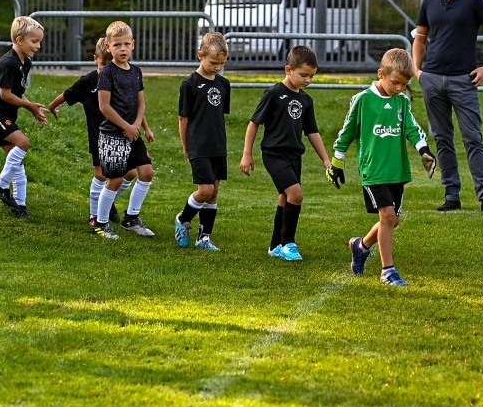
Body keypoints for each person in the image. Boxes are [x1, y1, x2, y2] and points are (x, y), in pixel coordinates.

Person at [330, 48, 437, 287]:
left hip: (396, 170)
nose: (399, 88)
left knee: (393, 221)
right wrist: (337, 160)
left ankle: (361, 245)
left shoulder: (402, 101)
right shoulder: (363, 100)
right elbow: (347, 133)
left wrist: (424, 150)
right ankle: (387, 271)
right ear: (381, 73)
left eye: (404, 84)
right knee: (387, 217)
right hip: (373, 170)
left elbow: (412, 128)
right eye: (395, 82)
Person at [411, 0, 483, 213]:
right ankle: (452, 196)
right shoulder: (429, 2)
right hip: (432, 80)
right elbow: (420, 39)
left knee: (473, 138)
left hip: (464, 81)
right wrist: (418, 71)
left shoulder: (474, 0)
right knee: (442, 139)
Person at [240, 45, 335, 262]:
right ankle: (288, 243)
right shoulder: (273, 94)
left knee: (285, 197)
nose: (308, 80)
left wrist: (326, 160)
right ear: (288, 69)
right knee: (296, 194)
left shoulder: (306, 101)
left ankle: (275, 245)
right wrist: (247, 154)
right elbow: (254, 124)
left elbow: (312, 131)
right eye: (303, 75)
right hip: (274, 155)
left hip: (294, 156)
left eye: (312, 76)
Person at [47, 38, 130, 229]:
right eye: (104, 64)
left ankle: (106, 205)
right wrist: (52, 107)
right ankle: (95, 215)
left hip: (120, 136)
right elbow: (67, 94)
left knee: (130, 172)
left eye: (112, 64)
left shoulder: (120, 79)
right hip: (98, 137)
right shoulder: (89, 81)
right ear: (95, 59)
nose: (108, 68)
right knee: (101, 175)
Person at [0, 16, 47, 219]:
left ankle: (20, 206)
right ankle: (0, 186)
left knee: (16, 162)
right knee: (23, 143)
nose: (38, 46)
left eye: (39, 41)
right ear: (19, 40)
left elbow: (18, 92)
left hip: (4, 114)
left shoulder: (25, 63)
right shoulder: (7, 63)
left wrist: (32, 108)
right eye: (34, 41)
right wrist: (29, 105)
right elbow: (5, 94)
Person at [92, 21, 156, 239]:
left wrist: (138, 125)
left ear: (133, 45)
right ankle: (100, 224)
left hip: (133, 133)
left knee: (147, 172)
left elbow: (141, 103)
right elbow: (104, 107)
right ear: (108, 47)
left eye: (126, 44)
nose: (123, 49)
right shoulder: (107, 73)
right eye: (117, 45)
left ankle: (131, 218)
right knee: (116, 179)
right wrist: (126, 126)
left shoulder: (136, 72)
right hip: (112, 135)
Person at [174, 32, 231, 251]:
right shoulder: (189, 84)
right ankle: (183, 218)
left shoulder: (224, 85)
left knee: (214, 192)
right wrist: (186, 145)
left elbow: (218, 116)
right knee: (205, 189)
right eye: (213, 62)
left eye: (222, 64)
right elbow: (183, 118)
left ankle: (204, 237)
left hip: (218, 145)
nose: (218, 67)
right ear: (200, 55)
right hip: (198, 145)